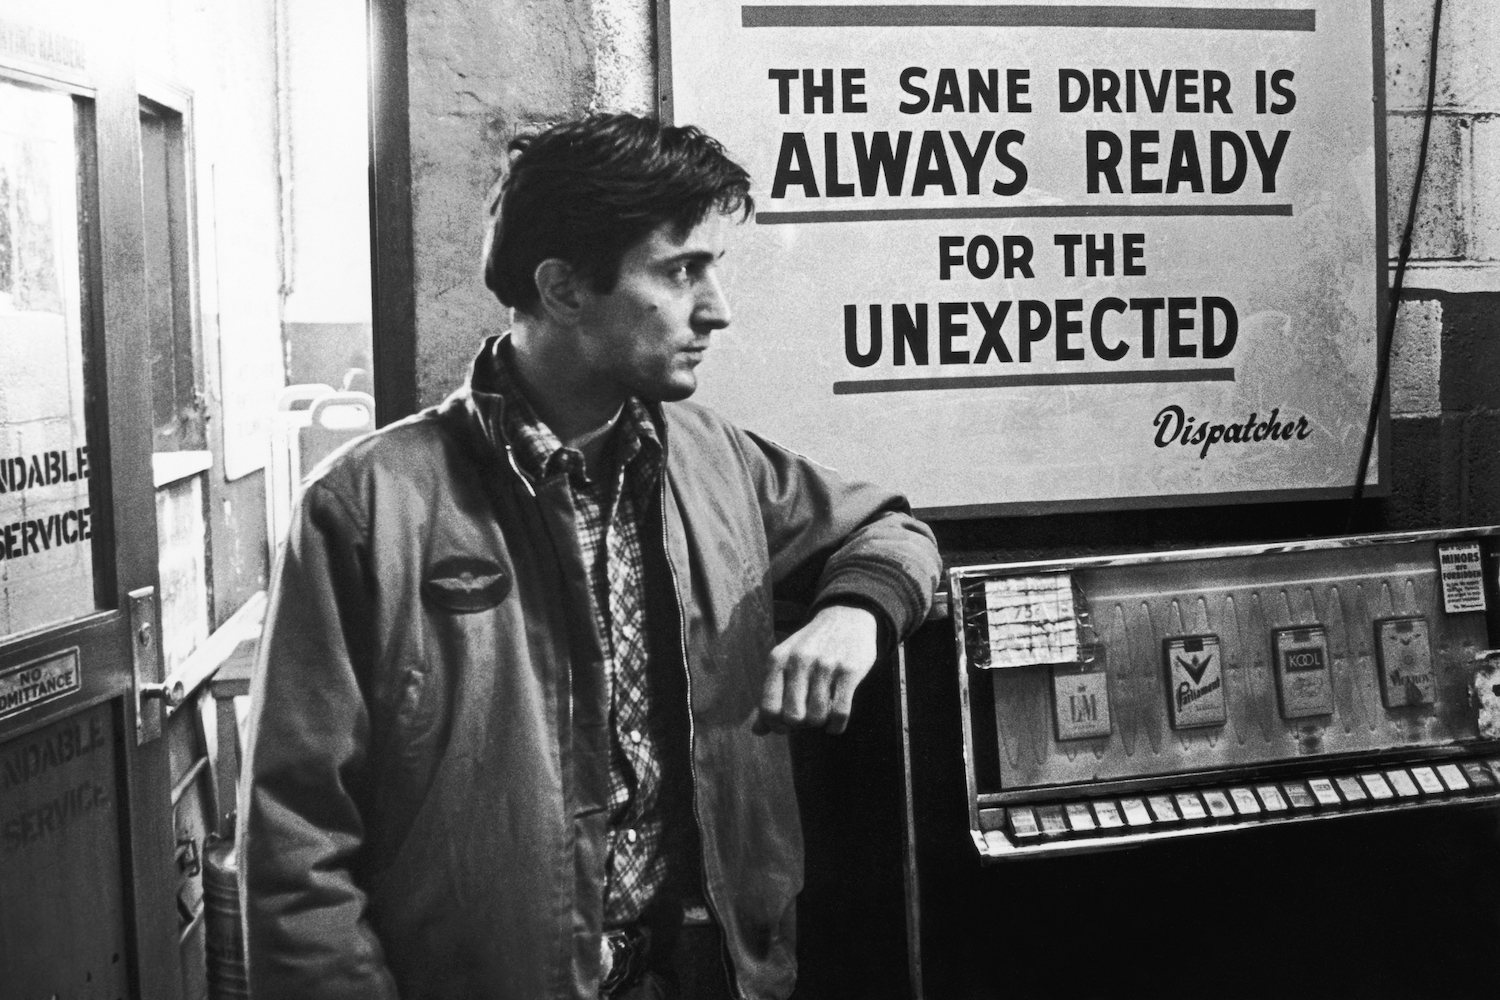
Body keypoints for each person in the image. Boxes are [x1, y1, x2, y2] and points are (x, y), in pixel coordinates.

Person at [239, 113, 940, 1000]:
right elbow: (296, 847)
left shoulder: (711, 455)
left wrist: (856, 611)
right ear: (565, 289)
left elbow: (892, 531)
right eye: (684, 270)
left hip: (713, 977)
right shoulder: (367, 509)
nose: (717, 309)